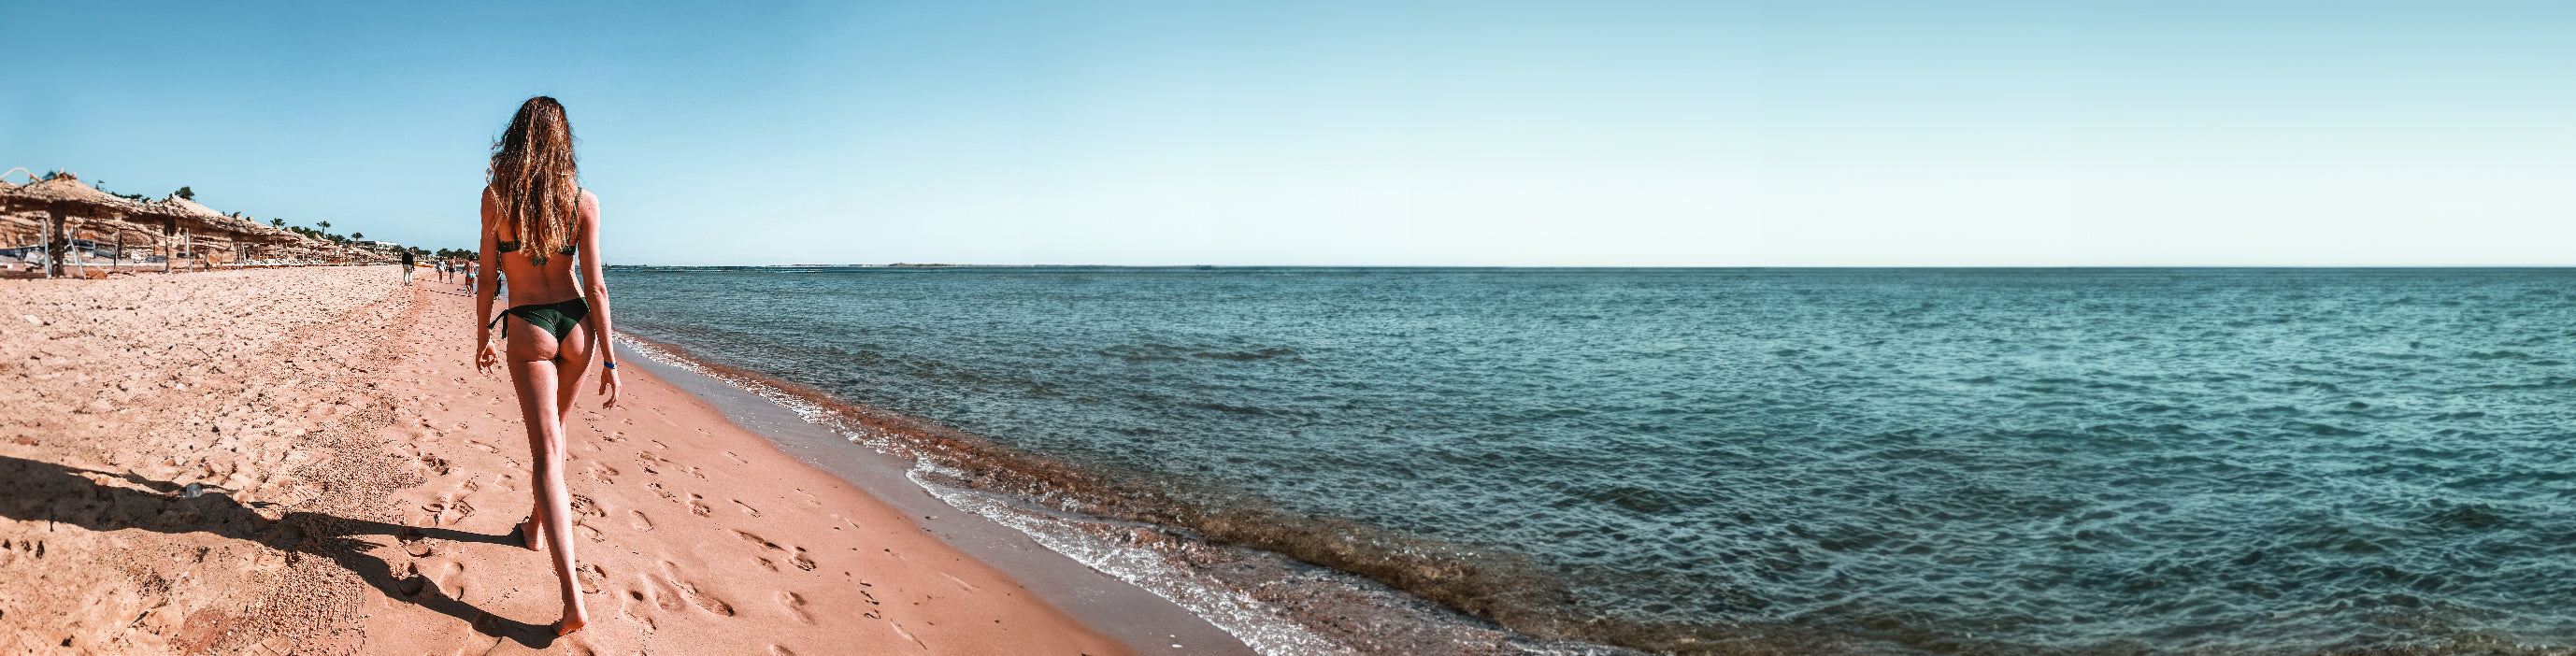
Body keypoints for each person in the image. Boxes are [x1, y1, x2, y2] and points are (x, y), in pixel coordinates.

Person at [472, 95, 620, 635]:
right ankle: (534, 531)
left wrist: (480, 337)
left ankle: (572, 600)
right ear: (564, 144)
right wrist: (609, 358)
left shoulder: (495, 198)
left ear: (517, 138)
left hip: (530, 324)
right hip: (577, 326)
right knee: (558, 436)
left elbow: (488, 278)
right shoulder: (584, 201)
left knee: (545, 455)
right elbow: (597, 286)